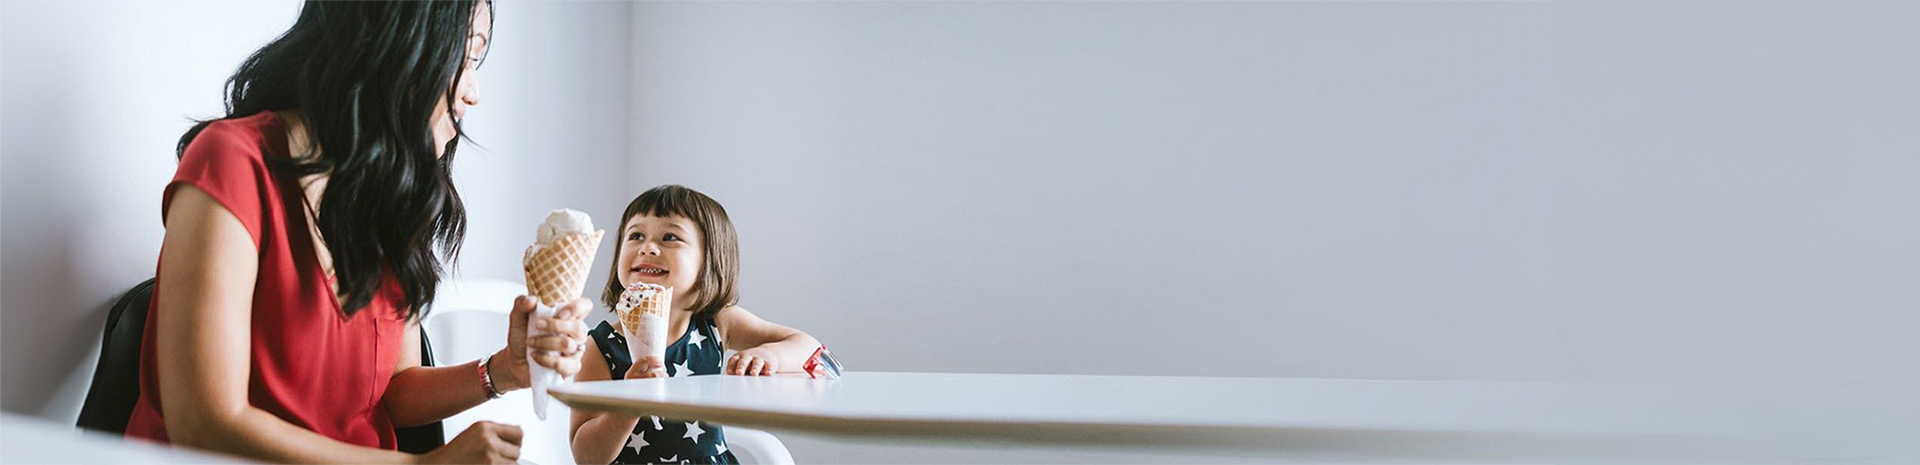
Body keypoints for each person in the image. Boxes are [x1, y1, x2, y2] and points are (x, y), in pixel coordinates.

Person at [122, 2, 592, 463]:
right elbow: (203, 424)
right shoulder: (232, 161)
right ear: (393, 40)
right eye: (465, 57)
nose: (473, 93)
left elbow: (392, 390)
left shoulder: (389, 202)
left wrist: (504, 371)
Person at [569, 185, 823, 464]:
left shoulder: (717, 322)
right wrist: (629, 406)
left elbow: (809, 347)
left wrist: (768, 355)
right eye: (636, 235)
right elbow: (587, 457)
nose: (647, 247)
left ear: (708, 261)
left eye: (669, 237)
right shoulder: (601, 347)